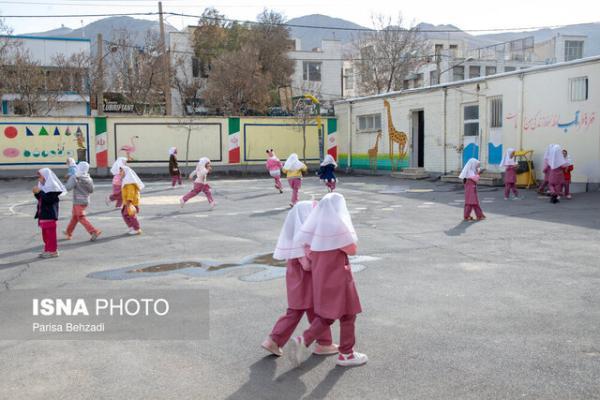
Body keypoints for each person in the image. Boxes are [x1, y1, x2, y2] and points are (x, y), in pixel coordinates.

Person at [286, 193, 367, 368]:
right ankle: (347, 353)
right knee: (348, 315)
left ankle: (304, 339)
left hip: (321, 278)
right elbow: (352, 249)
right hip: (340, 277)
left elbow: (309, 253)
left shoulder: (315, 228)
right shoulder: (337, 227)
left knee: (327, 315)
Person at [262, 201, 338, 357]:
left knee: (307, 309)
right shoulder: (303, 241)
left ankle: (324, 342)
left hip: (297, 277)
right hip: (306, 278)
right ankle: (274, 340)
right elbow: (308, 266)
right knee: (301, 310)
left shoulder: (294, 236)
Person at [63, 161, 101, 241]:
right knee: (75, 217)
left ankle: (94, 231)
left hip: (77, 201)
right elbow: (91, 190)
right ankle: (68, 232)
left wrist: (61, 186)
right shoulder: (88, 178)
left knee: (80, 217)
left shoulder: (75, 177)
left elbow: (68, 187)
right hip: (85, 201)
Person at [33, 168, 66, 258]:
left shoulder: (53, 187)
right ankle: (47, 249)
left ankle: (53, 251)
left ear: (45, 177)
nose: (38, 178)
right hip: (43, 214)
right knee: (45, 235)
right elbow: (41, 199)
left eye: (40, 176)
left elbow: (49, 200)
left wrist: (39, 192)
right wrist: (36, 193)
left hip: (49, 214)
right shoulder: (44, 187)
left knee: (50, 234)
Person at [120, 166, 144, 235]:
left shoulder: (129, 183)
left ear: (126, 172)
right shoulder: (126, 181)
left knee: (131, 215)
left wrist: (129, 202)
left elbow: (131, 193)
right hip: (127, 202)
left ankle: (137, 229)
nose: (119, 173)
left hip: (131, 203)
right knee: (125, 214)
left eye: (121, 171)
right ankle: (132, 227)